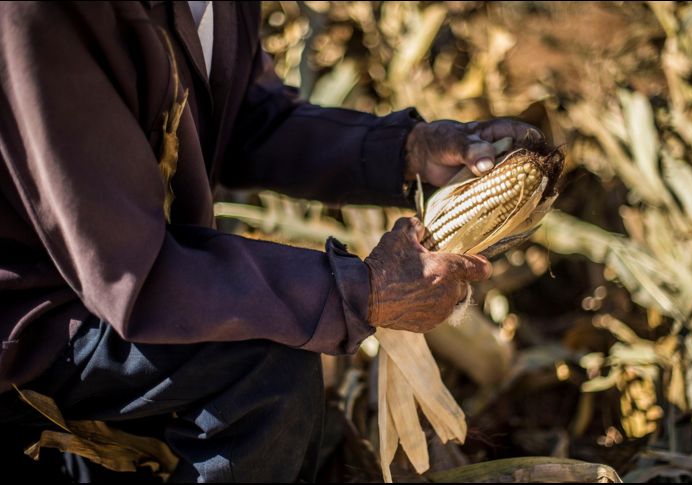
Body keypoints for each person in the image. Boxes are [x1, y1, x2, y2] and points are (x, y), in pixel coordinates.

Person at [0, 2, 542, 481]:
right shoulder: (48, 17)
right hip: (41, 315)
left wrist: (406, 150)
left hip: (118, 277)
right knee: (265, 366)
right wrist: (360, 290)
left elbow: (251, 119)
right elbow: (130, 277)